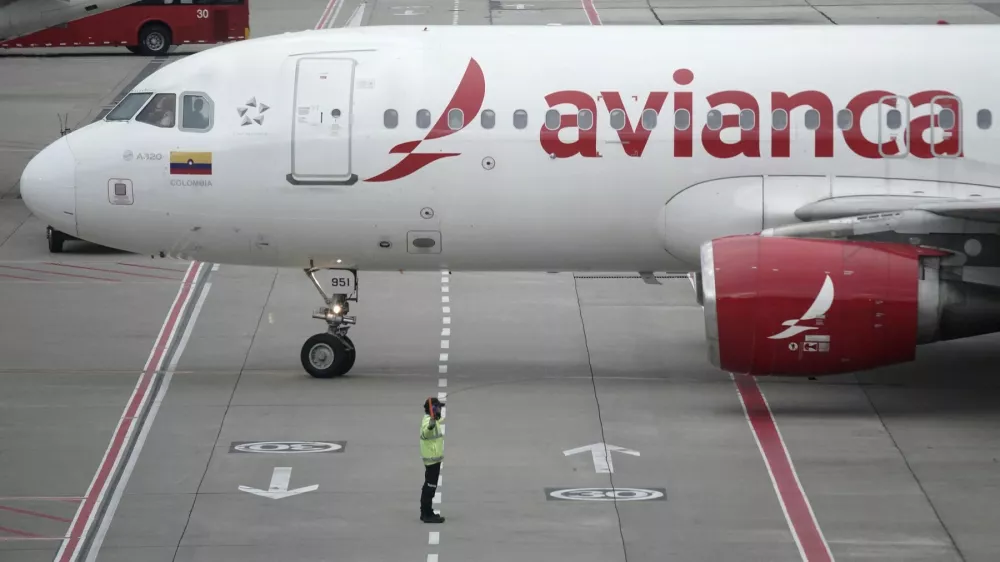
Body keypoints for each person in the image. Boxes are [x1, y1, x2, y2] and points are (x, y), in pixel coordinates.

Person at [420, 396, 445, 523]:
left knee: (429, 485)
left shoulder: (434, 420)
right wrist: (431, 424)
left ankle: (425, 511)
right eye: (438, 408)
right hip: (431, 460)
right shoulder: (428, 421)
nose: (440, 410)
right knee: (430, 486)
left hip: (433, 459)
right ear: (433, 409)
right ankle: (426, 513)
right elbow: (426, 431)